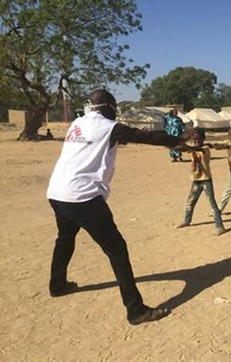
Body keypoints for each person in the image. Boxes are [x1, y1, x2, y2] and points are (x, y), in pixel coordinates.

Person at [46, 89, 195, 325]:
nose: (116, 112)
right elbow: (143, 136)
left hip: (57, 192)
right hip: (82, 196)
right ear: (107, 107)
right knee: (116, 248)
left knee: (65, 237)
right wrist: (177, 139)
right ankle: (136, 310)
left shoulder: (78, 122)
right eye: (114, 107)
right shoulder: (107, 126)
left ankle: (57, 285)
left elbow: (126, 136)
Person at [176, 128, 225, 235]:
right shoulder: (193, 149)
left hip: (206, 180)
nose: (197, 141)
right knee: (190, 202)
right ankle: (187, 220)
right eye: (195, 139)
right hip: (196, 180)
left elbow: (197, 149)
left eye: (198, 139)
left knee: (212, 204)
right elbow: (186, 149)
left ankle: (220, 226)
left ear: (203, 139)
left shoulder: (205, 149)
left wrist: (186, 147)